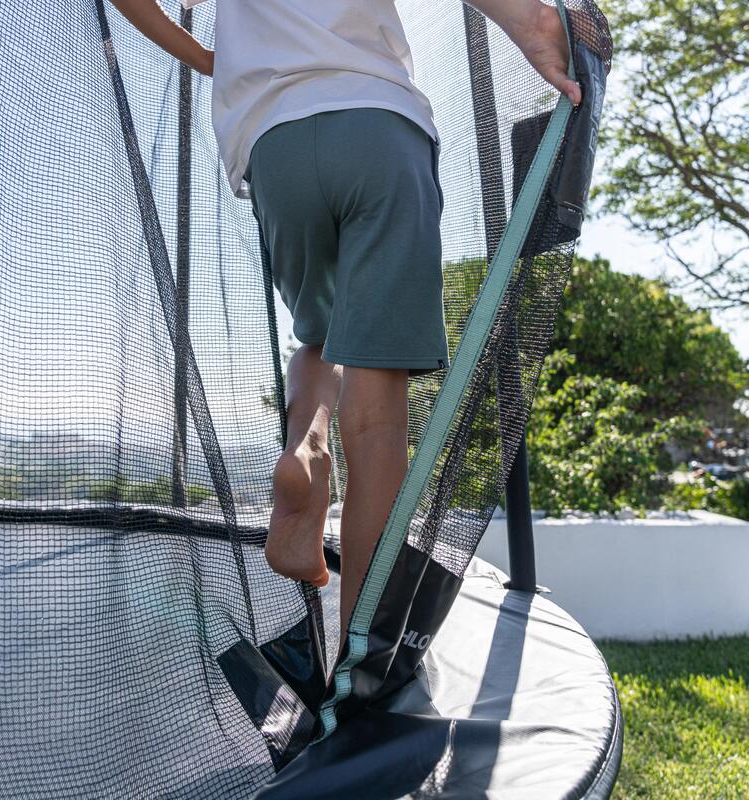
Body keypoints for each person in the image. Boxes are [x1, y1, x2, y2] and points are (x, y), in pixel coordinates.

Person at [110, 0, 581, 639]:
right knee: (379, 413)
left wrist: (213, 62)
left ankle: (305, 449)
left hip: (275, 144)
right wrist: (528, 20)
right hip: (380, 126)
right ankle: (361, 656)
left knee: (317, 340)